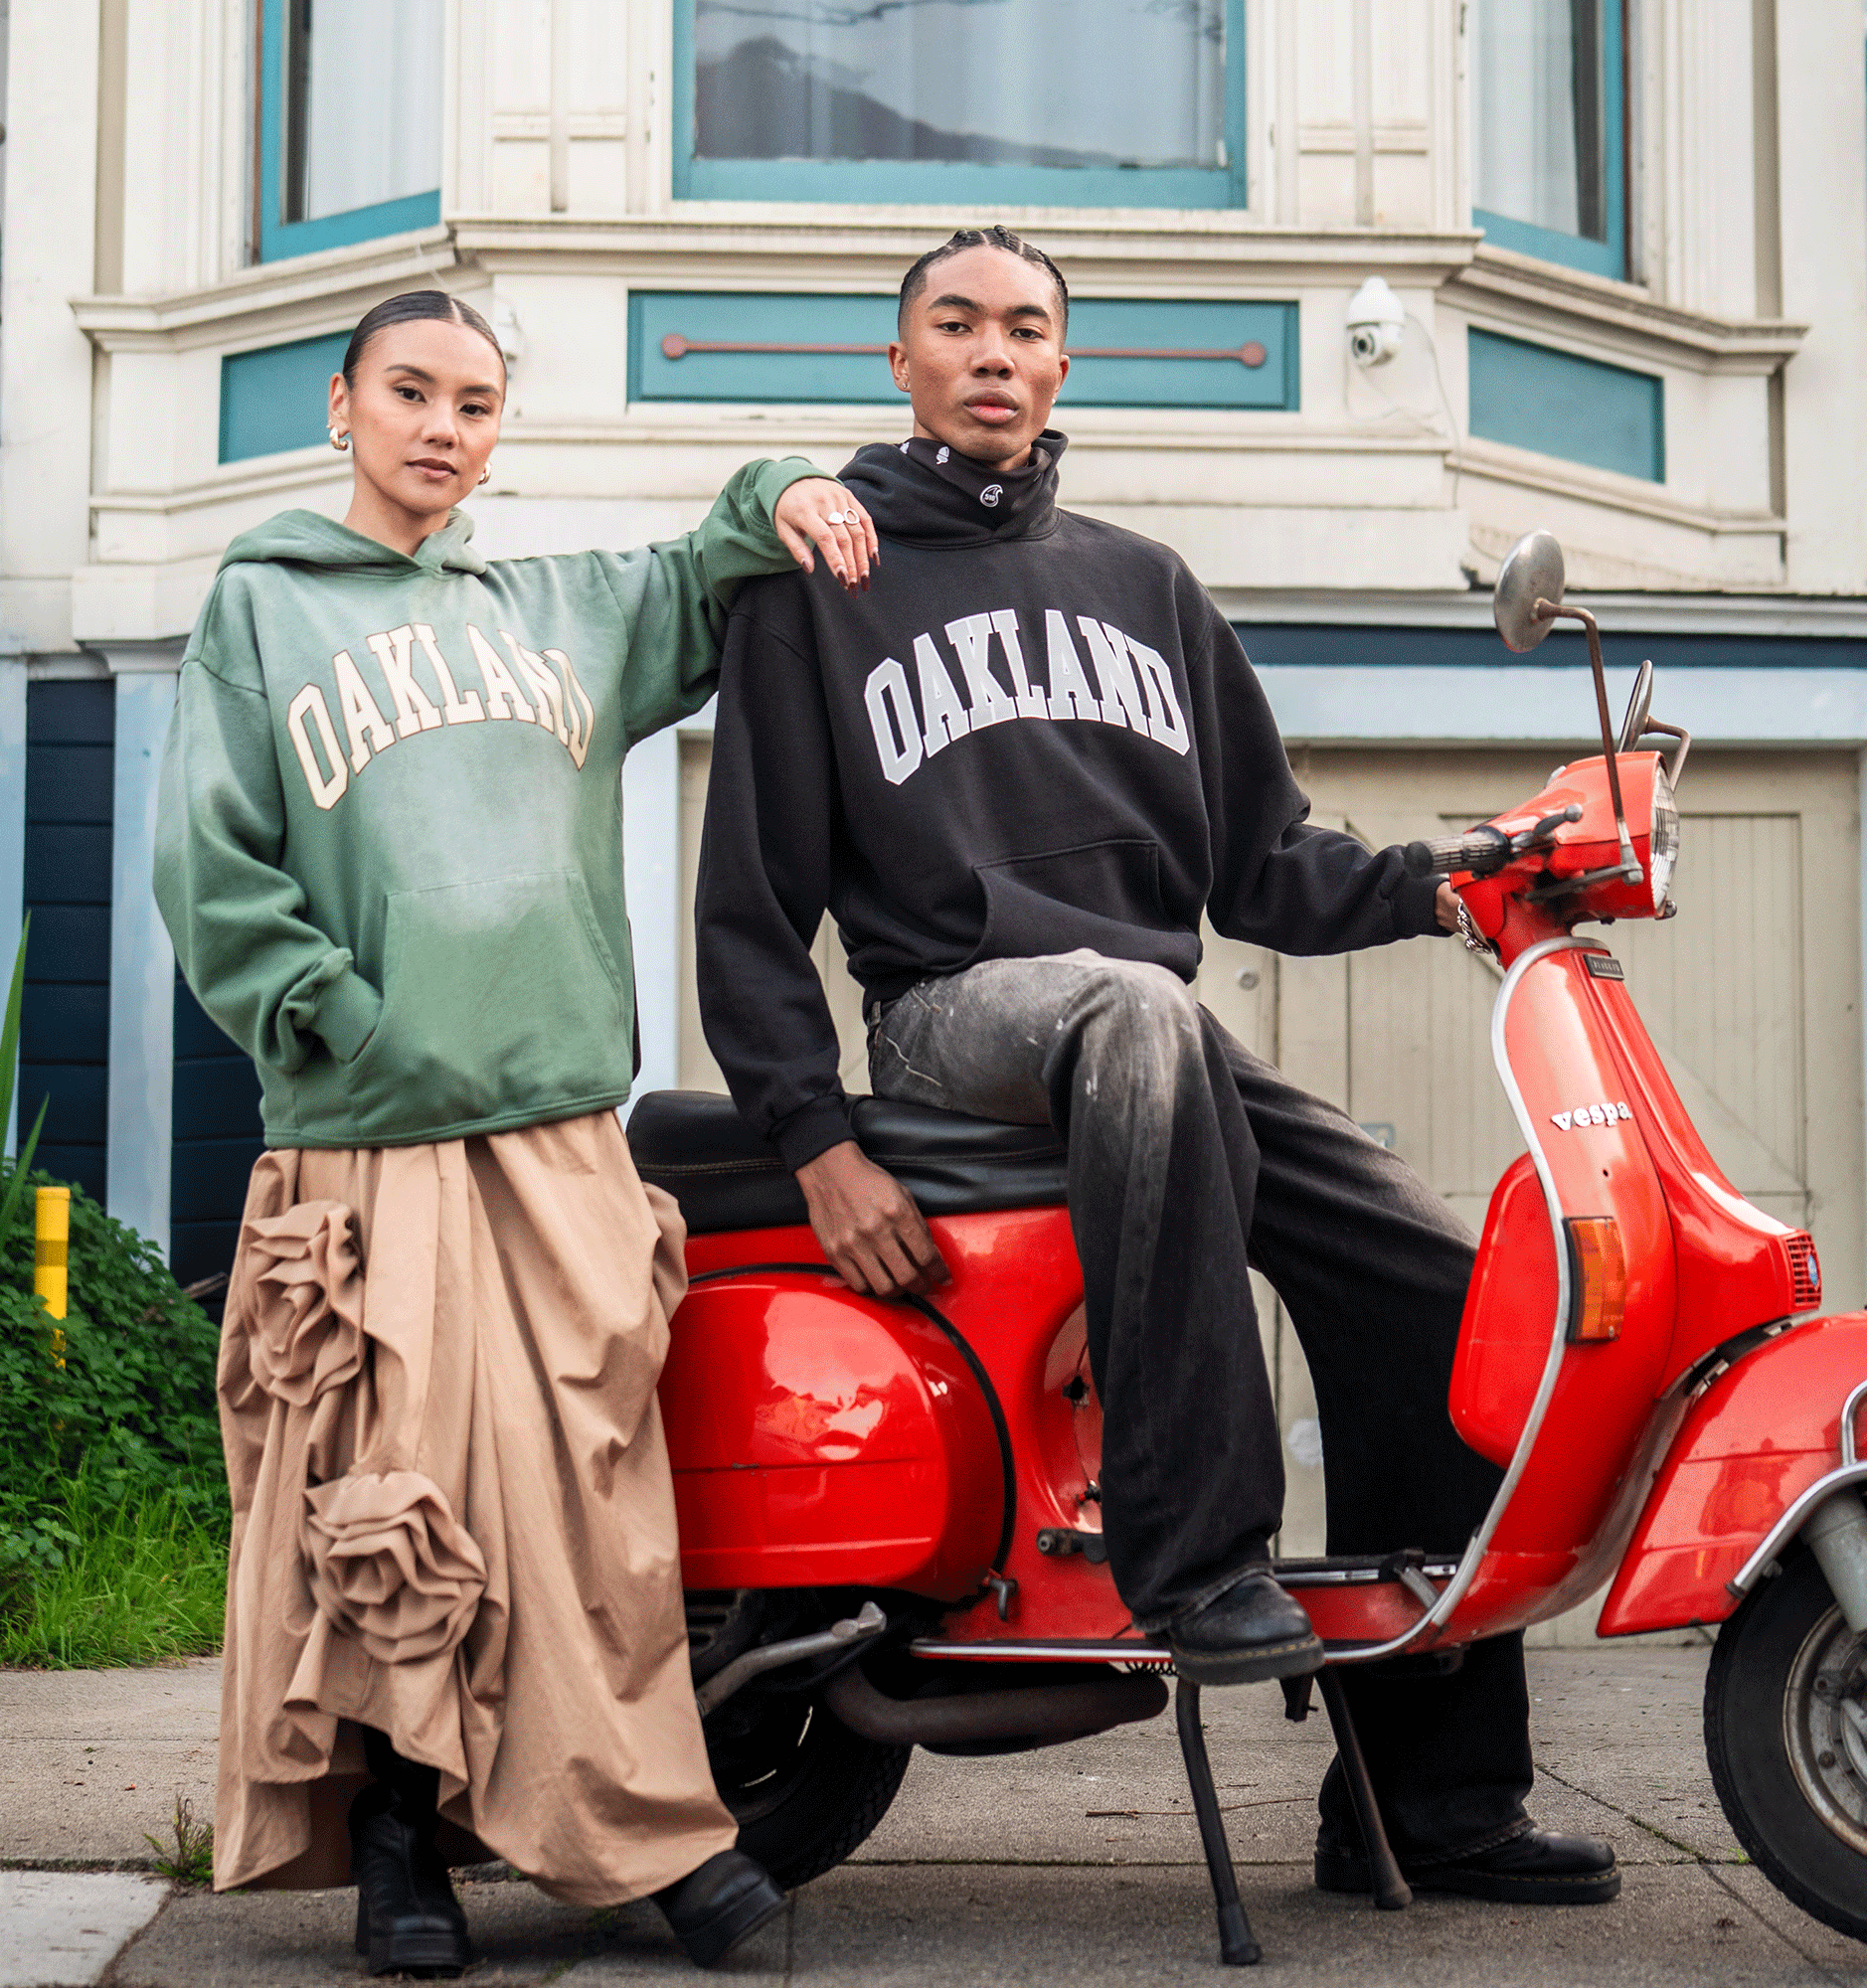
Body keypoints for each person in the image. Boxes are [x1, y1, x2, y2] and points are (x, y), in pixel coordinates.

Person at [694, 228, 1619, 1906]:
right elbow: (750, 908)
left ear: (1063, 366)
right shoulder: (810, 590)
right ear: (900, 364)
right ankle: (1191, 1561)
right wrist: (818, 1141)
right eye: (955, 325)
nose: (992, 351)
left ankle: (1432, 1803)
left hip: (1150, 1027)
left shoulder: (1147, 585)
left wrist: (1454, 877)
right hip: (950, 1016)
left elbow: (1264, 866)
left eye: (1026, 329)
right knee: (1135, 1008)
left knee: (1430, 1273)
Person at [154, 288, 883, 1974]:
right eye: (410, 392)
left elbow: (715, 562)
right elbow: (212, 864)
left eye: (475, 404)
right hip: (372, 1135)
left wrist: (787, 481)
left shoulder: (558, 612)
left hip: (560, 1133)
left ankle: (637, 1833)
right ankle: (404, 1848)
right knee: (394, 1503)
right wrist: (341, 1015)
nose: (442, 427)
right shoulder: (259, 610)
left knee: (601, 1504)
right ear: (342, 406)